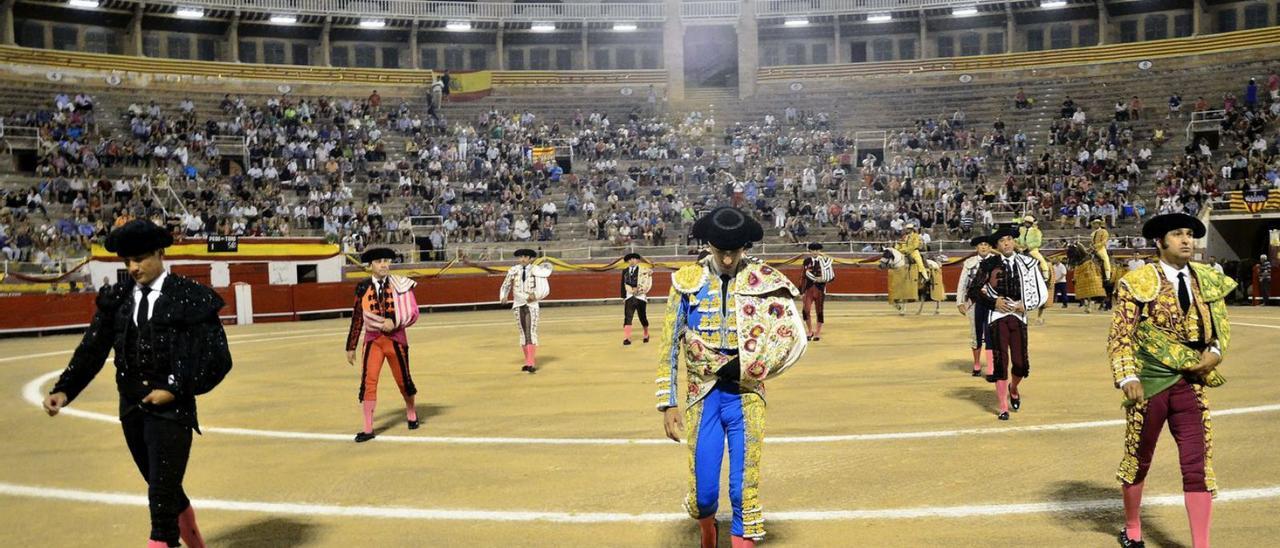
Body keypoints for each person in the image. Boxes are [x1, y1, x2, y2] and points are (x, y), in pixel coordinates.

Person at [43, 220, 231, 548]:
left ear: (160, 253)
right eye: (127, 261)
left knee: (160, 508)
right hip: (130, 410)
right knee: (165, 489)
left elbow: (217, 358)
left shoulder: (190, 297)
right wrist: (65, 389)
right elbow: (93, 348)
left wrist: (175, 388)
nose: (133, 267)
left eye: (140, 258)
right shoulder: (117, 299)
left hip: (172, 413)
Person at [655, 207, 807, 547]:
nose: (726, 258)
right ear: (708, 244)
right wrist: (668, 403)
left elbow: (790, 337)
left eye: (734, 250)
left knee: (743, 488)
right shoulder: (686, 282)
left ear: (745, 247)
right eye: (720, 250)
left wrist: (756, 365)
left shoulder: (765, 280)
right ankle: (708, 530)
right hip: (701, 395)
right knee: (705, 492)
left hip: (746, 393)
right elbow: (669, 346)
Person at [1109, 213, 1236, 548]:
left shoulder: (1207, 279)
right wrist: (1128, 377)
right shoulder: (1137, 281)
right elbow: (1121, 334)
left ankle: (1201, 544)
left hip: (1192, 381)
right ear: (1159, 242)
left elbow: (1219, 327)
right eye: (1177, 234)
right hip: (1149, 382)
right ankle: (1133, 527)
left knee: (1198, 465)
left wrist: (1216, 352)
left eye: (1189, 235)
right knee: (1138, 458)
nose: (1186, 240)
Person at [966, 227, 1047, 420]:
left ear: (1014, 242)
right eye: (1002, 241)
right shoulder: (989, 265)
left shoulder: (1028, 263)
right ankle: (1003, 406)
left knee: (1020, 363)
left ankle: (1014, 387)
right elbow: (974, 291)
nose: (1007, 243)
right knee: (1001, 360)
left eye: (1009, 239)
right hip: (997, 316)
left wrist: (1025, 304)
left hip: (1019, 316)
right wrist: (994, 302)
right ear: (997, 246)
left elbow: (1041, 290)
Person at [344, 247, 421, 443]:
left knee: (403, 380)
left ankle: (411, 412)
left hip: (395, 339)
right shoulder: (362, 287)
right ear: (371, 265)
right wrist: (351, 346)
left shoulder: (399, 285)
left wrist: (394, 322)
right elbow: (357, 318)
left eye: (386, 260)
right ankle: (368, 428)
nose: (384, 264)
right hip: (373, 341)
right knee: (369, 381)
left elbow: (413, 312)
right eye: (379, 261)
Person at [500, 248, 552, 372]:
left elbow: (544, 287)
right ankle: (528, 361)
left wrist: (536, 295)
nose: (522, 259)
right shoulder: (513, 270)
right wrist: (503, 296)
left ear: (531, 259)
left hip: (531, 303)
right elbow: (506, 284)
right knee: (523, 333)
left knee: (530, 331)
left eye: (525, 257)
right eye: (520, 257)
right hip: (518, 303)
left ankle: (530, 363)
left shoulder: (537, 270)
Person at [956, 234, 995, 376]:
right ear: (977, 247)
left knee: (991, 334)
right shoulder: (970, 262)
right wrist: (960, 301)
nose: (983, 247)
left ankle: (991, 367)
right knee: (975, 333)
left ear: (990, 248)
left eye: (986, 245)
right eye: (981, 245)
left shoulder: (997, 262)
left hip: (992, 303)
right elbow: (962, 283)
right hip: (974, 302)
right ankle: (977, 364)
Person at [800, 242, 835, 341]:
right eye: (813, 250)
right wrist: (801, 291)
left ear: (820, 251)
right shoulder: (806, 261)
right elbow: (802, 276)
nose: (815, 252)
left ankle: (818, 332)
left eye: (817, 250)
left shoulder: (825, 261)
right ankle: (810, 331)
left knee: (819, 310)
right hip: (808, 289)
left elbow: (832, 277)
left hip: (820, 289)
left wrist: (822, 279)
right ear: (810, 251)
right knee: (805, 310)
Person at [620, 252, 652, 345]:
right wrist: (623, 296)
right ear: (628, 261)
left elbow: (647, 280)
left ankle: (646, 333)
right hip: (629, 295)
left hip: (640, 296)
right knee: (628, 317)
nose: (632, 261)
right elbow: (622, 283)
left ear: (638, 260)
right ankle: (627, 337)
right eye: (630, 259)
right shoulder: (625, 271)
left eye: (634, 259)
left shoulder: (643, 270)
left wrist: (650, 273)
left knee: (642, 317)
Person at [1092, 217, 1113, 283]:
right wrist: (1091, 246)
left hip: (1101, 248)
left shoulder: (1104, 231)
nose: (1095, 225)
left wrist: (1096, 246)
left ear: (1099, 224)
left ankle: (1108, 276)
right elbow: (1092, 241)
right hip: (1093, 248)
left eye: (1096, 224)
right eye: (1094, 224)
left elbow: (1104, 241)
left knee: (1105, 259)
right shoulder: (1093, 233)